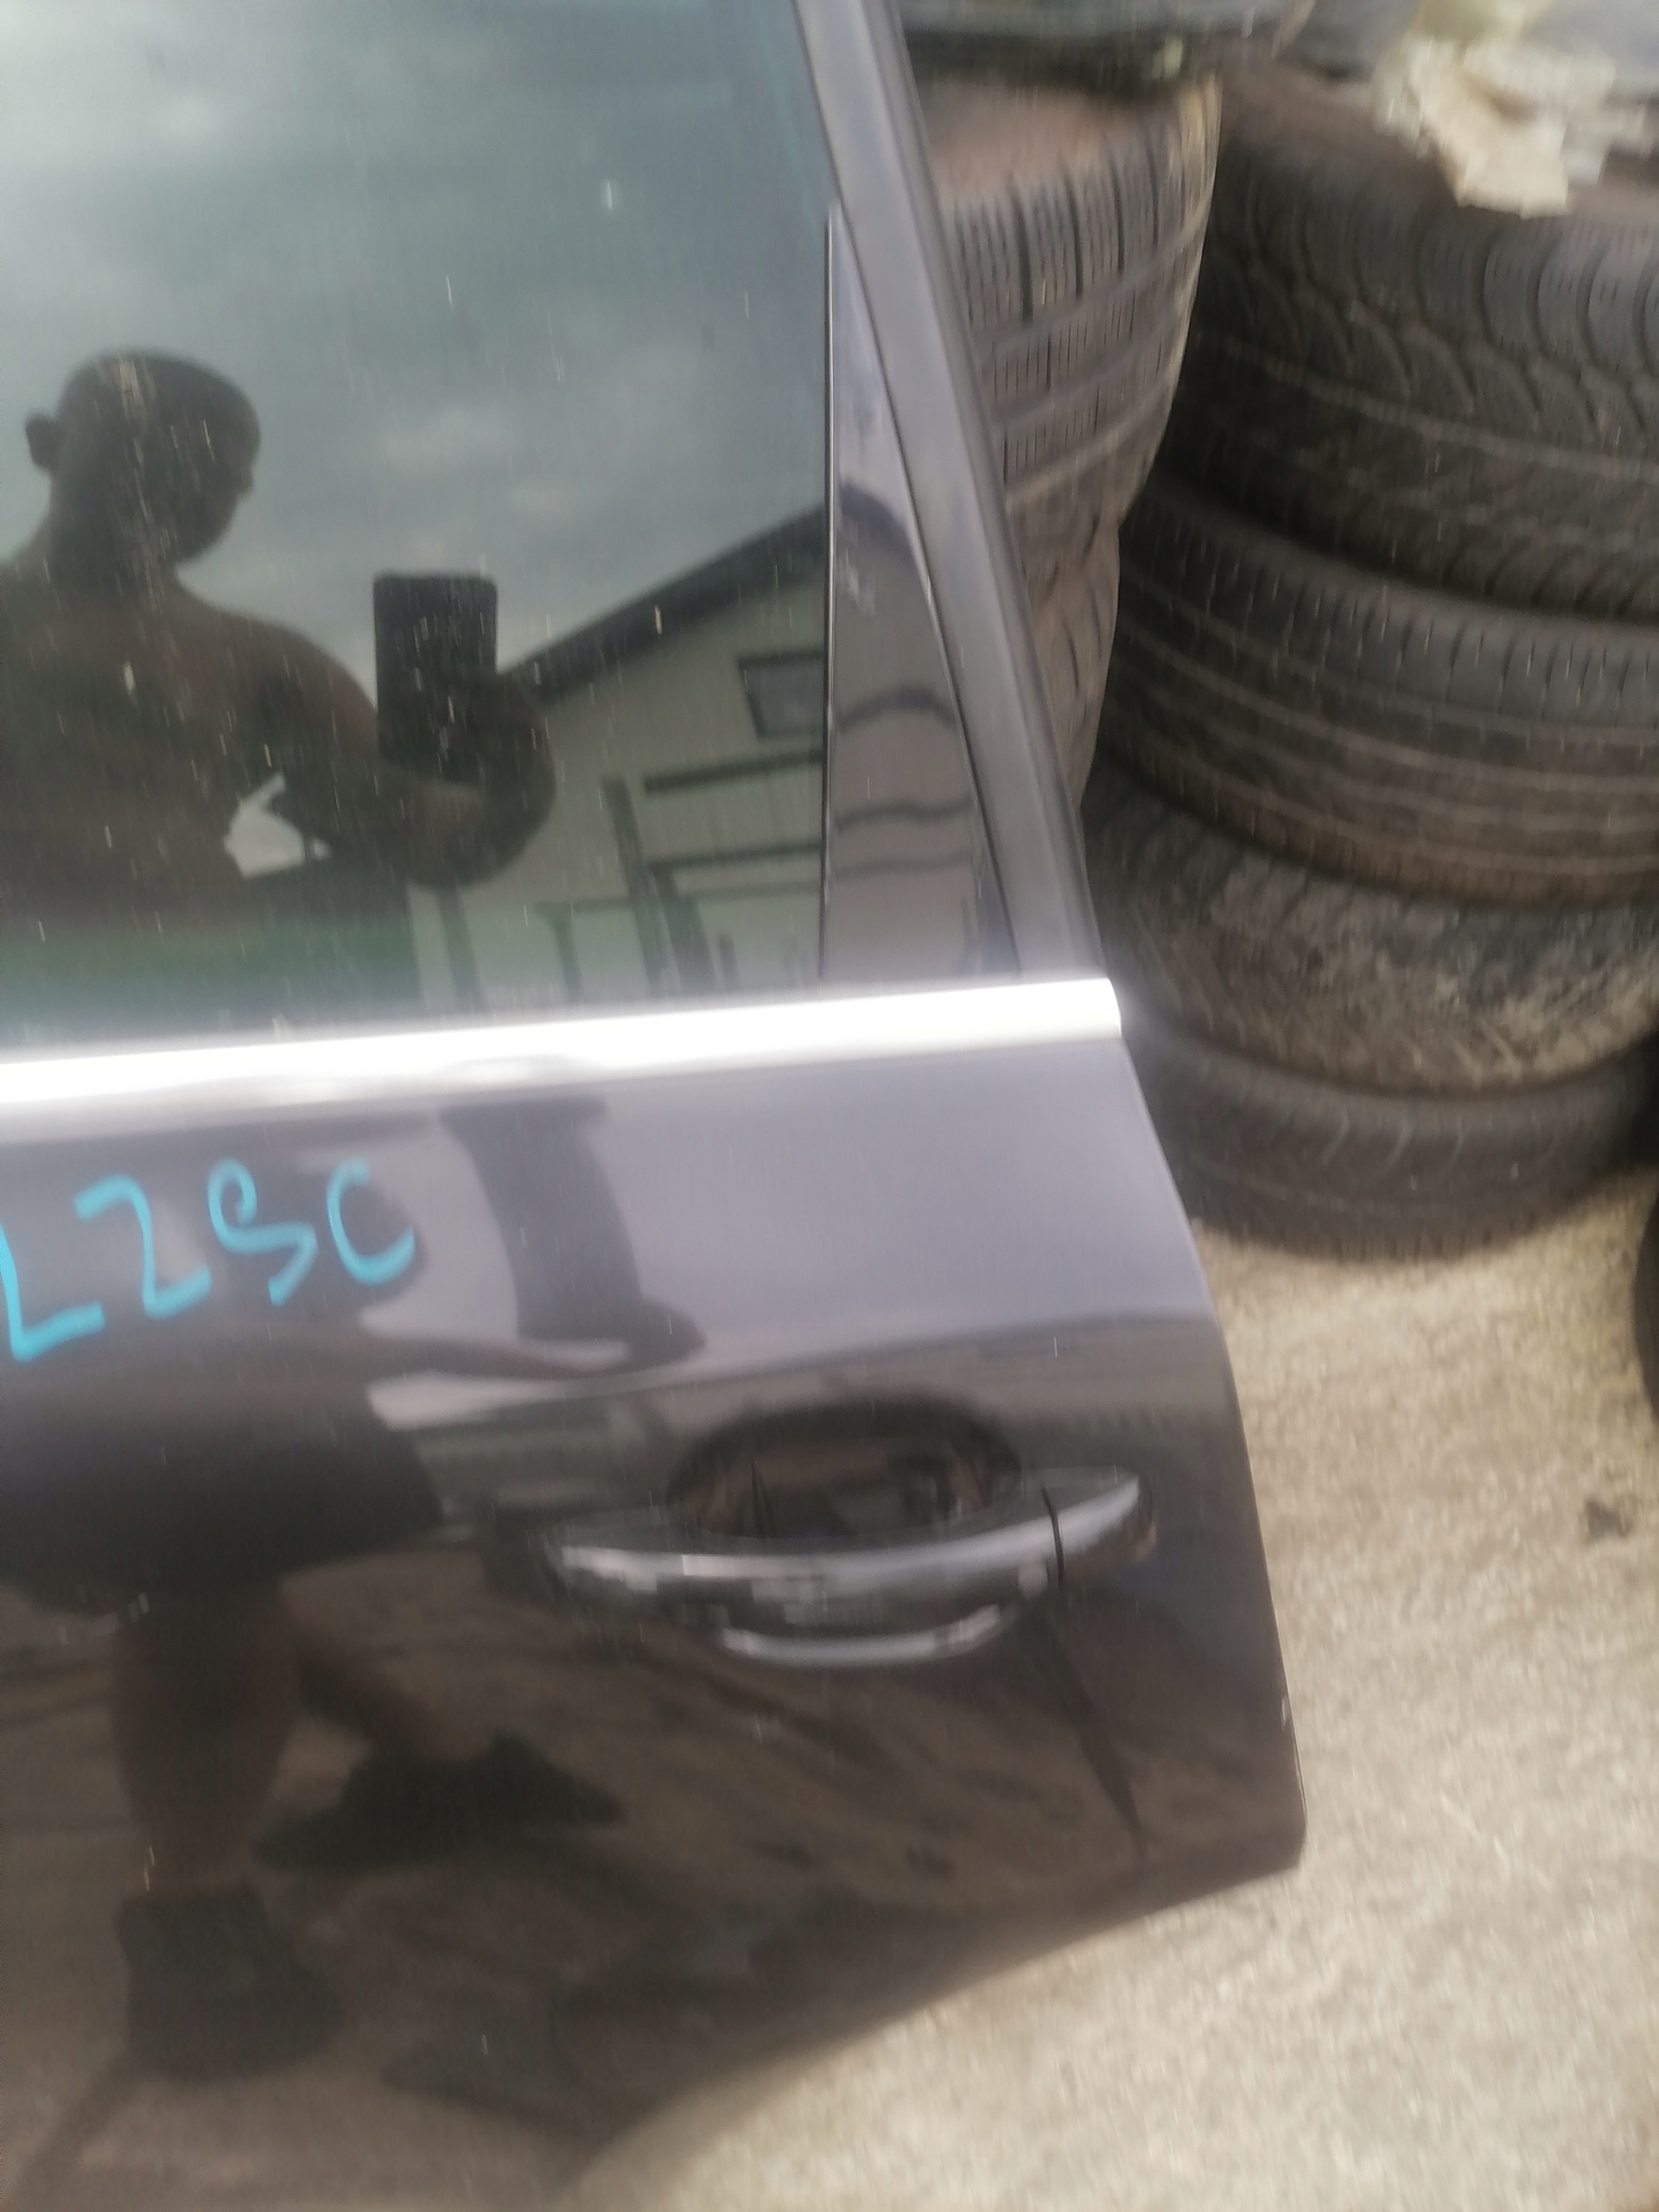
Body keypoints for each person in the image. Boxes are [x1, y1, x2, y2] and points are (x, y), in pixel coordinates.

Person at [0, 353, 606, 2082]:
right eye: (159, 440)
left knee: (206, 1517)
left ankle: (197, 1904)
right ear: (50, 447)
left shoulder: (257, 664)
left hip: (206, 1113)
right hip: (41, 1120)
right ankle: (439, 1763)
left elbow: (435, 840)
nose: (197, 478)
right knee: (182, 1522)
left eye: (228, 462)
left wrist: (508, 760)